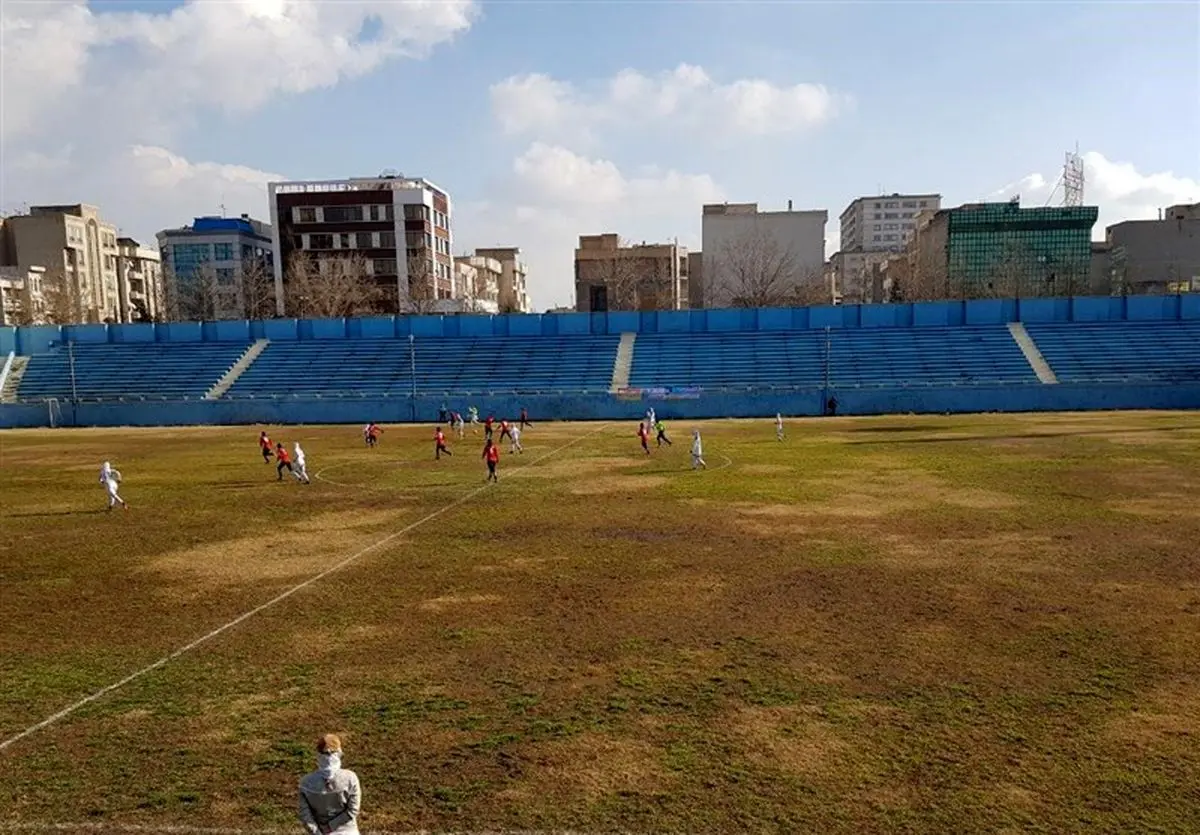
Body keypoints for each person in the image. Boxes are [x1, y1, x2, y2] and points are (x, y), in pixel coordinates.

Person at [298, 733, 361, 835]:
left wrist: (317, 832)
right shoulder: (350, 778)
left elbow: (305, 815)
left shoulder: (306, 782)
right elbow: (353, 810)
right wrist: (331, 827)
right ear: (339, 752)